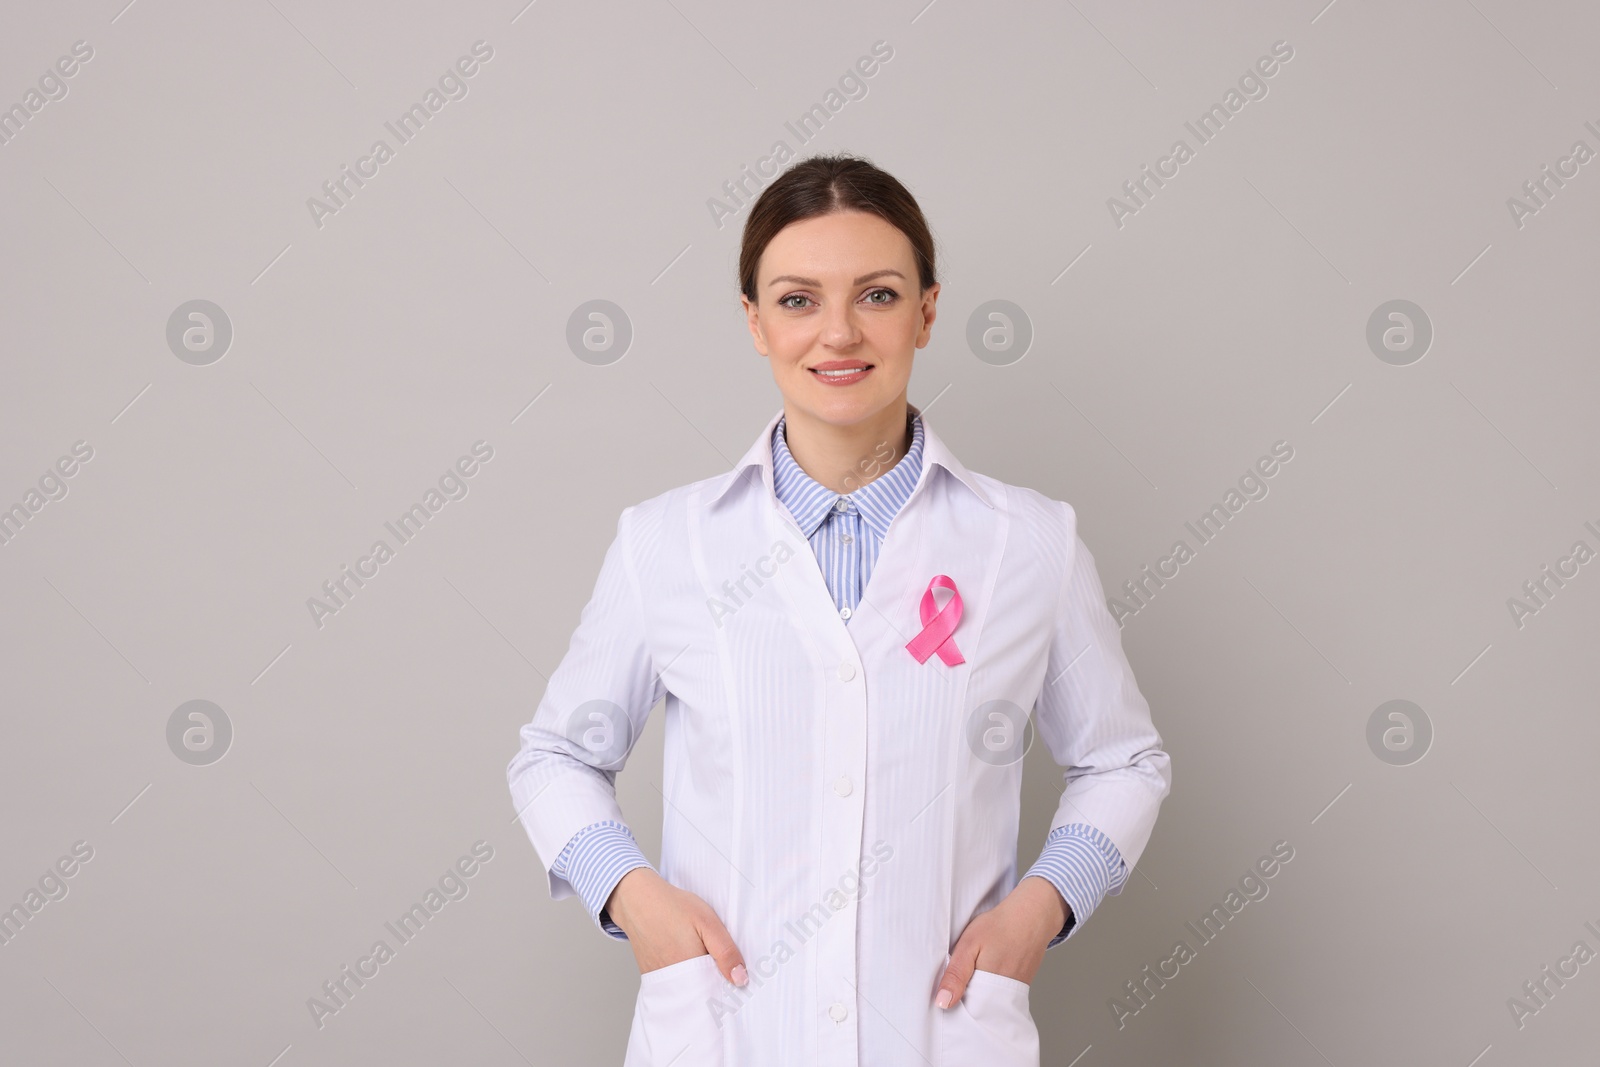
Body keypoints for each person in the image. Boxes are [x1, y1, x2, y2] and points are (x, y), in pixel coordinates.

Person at [508, 153, 1171, 1067]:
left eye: (878, 294)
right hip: (726, 1036)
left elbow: (1123, 760)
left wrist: (1042, 905)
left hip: (944, 1037)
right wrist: (631, 896)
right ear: (752, 322)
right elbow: (554, 756)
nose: (838, 333)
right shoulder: (669, 543)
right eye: (796, 299)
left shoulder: (1028, 542)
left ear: (927, 312)